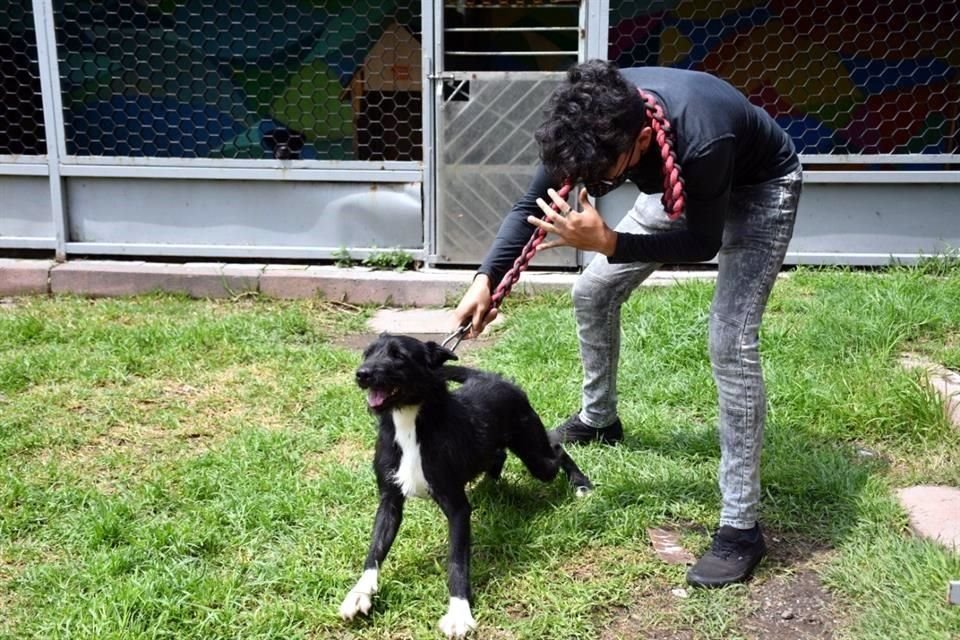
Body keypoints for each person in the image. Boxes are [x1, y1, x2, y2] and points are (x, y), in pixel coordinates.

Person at [452, 59, 802, 588]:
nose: (593, 185)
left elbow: (700, 241)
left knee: (730, 343)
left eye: (602, 177)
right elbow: (531, 204)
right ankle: (600, 419)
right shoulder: (590, 119)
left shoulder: (701, 136)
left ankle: (741, 527)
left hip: (760, 188)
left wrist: (610, 242)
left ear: (640, 141)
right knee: (592, 291)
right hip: (677, 182)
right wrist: (485, 278)